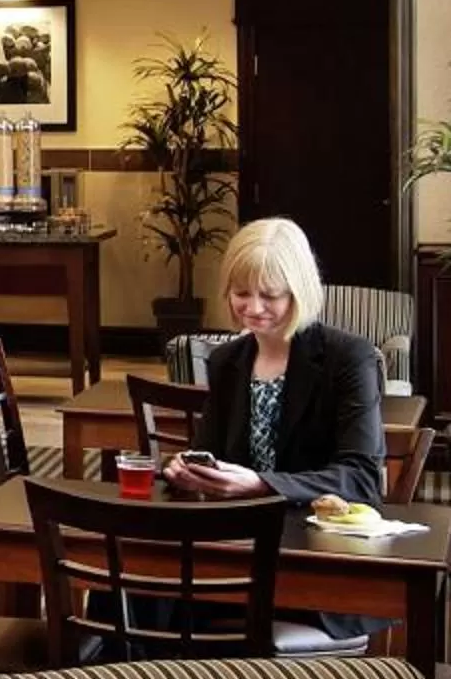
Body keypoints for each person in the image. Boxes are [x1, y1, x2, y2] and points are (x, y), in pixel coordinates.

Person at [162, 217, 386, 509]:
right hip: (241, 531)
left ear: (299, 291)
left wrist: (262, 484)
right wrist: (182, 467)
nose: (253, 308)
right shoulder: (225, 361)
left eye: (270, 295)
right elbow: (209, 456)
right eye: (241, 293)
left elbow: (362, 479)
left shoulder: (350, 357)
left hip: (323, 533)